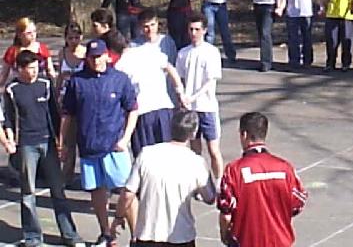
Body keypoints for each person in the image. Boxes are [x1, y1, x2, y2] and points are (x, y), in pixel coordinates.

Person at [60, 39, 139, 246]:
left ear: (107, 55)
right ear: (87, 58)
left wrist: (126, 138)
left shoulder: (120, 79)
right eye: (92, 57)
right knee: (97, 191)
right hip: (89, 146)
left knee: (127, 191)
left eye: (99, 56)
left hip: (114, 147)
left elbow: (133, 109)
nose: (95, 61)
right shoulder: (77, 81)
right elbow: (67, 114)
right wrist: (62, 142)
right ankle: (106, 234)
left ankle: (137, 236)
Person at [3, 51, 85, 247]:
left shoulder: (45, 85)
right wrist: (10, 141)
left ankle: (70, 234)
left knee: (58, 190)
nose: (33, 72)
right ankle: (33, 237)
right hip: (26, 145)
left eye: (35, 68)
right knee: (28, 193)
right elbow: (8, 119)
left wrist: (61, 142)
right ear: (20, 69)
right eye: (29, 68)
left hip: (48, 143)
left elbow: (55, 115)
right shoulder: (12, 90)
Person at [109, 110, 216, 247]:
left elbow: (128, 193)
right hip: (181, 235)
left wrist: (118, 217)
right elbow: (210, 197)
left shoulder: (146, 154)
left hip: (147, 234)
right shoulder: (196, 162)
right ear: (193, 133)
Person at [218, 112, 307, 247]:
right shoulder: (285, 168)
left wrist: (225, 235)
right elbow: (298, 203)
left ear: (244, 135)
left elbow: (226, 211)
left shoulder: (234, 170)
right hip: (280, 242)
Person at [116, 40, 186, 157]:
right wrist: (180, 93)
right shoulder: (151, 50)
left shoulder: (121, 62)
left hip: (142, 114)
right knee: (169, 154)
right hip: (164, 110)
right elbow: (170, 69)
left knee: (145, 157)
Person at [176, 13, 224, 182]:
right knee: (195, 152)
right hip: (190, 111)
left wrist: (193, 97)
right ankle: (200, 183)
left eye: (197, 29)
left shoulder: (211, 52)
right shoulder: (183, 53)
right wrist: (181, 96)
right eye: (191, 29)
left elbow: (210, 82)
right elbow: (180, 78)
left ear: (204, 30)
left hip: (207, 108)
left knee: (213, 150)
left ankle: (219, 183)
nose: (193, 33)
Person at [56, 22, 86, 184]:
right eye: (70, 38)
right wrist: (56, 94)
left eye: (76, 37)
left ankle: (87, 175)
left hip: (82, 99)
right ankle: (66, 175)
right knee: (68, 140)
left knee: (84, 138)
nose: (73, 41)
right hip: (66, 99)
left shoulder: (86, 53)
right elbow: (60, 77)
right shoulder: (62, 53)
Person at [246, 0, 281, 72]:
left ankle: (266, 63)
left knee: (266, 33)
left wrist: (279, 7)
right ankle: (264, 59)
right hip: (257, 6)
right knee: (261, 33)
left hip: (269, 6)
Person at [0, 17, 57, 89]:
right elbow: (4, 75)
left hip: (39, 85)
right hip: (20, 87)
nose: (33, 35)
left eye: (34, 31)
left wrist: (54, 86)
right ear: (19, 35)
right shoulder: (12, 51)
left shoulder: (42, 48)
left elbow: (50, 70)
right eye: (29, 33)